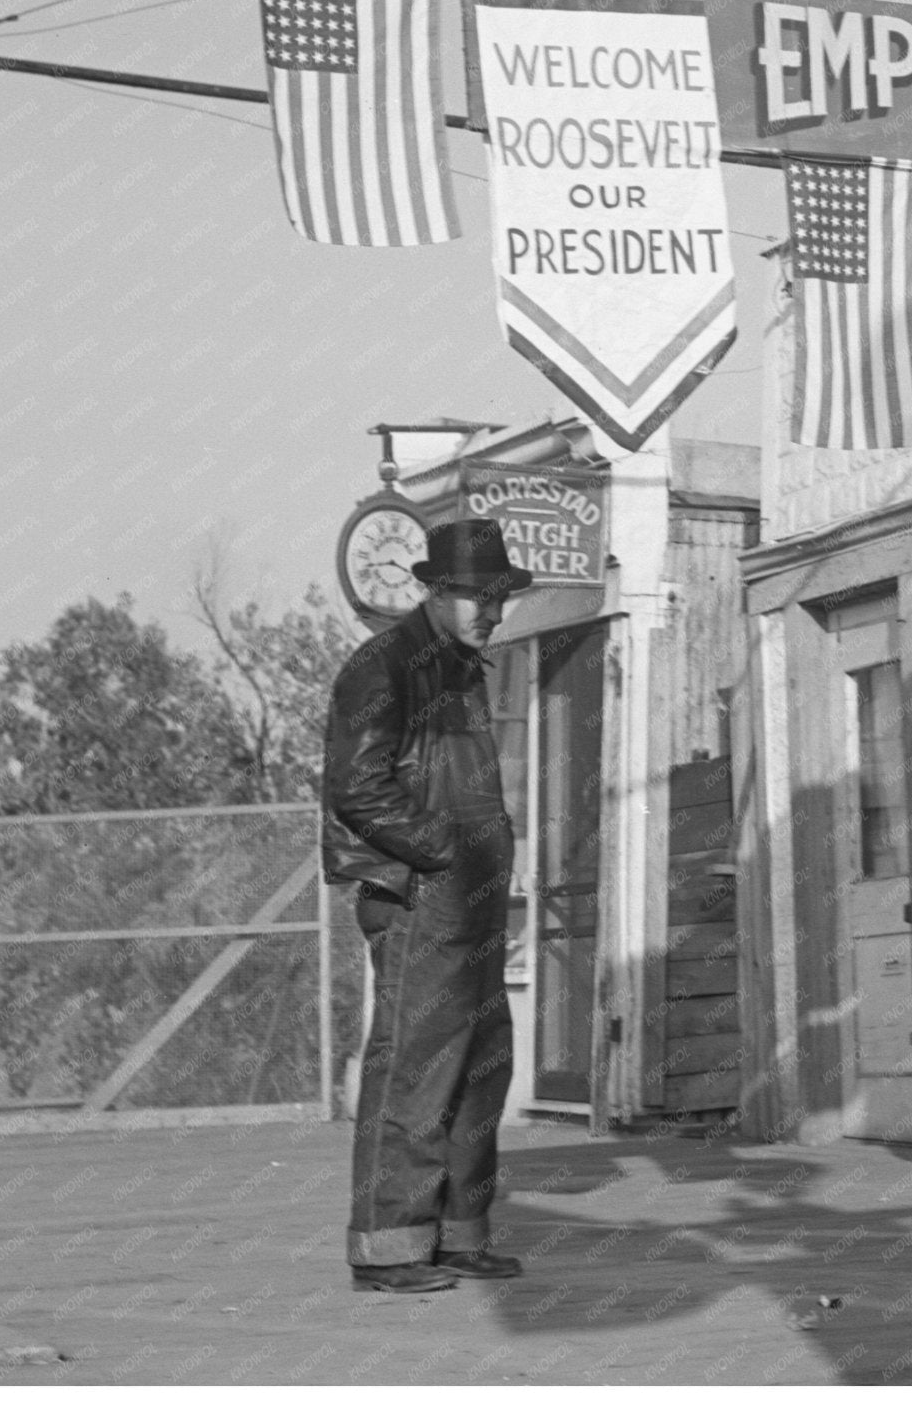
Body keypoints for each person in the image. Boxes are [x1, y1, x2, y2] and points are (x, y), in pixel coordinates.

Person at [323, 517, 533, 1294]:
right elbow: (358, 785)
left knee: (480, 1065)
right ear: (435, 591)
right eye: (476, 596)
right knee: (416, 1068)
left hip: (468, 897)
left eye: (498, 597)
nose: (491, 610)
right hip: (418, 895)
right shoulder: (384, 666)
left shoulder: (459, 667)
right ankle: (387, 1249)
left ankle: (454, 1234)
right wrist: (442, 853)